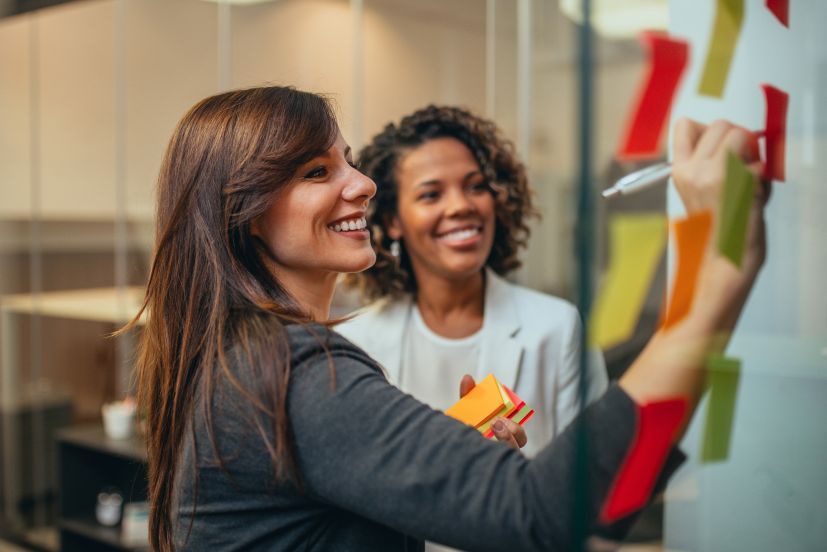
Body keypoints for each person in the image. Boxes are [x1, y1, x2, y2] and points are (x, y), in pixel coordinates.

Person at [127, 85, 768, 551]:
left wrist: (453, 468)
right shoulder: (295, 371)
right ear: (246, 212)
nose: (362, 184)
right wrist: (714, 282)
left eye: (347, 160)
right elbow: (542, 516)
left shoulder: (249, 358)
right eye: (318, 171)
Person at [338, 106, 607, 457]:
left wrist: (508, 472)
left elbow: (597, 481)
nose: (461, 206)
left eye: (476, 186)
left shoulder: (557, 328)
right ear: (392, 221)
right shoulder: (354, 342)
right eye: (431, 194)